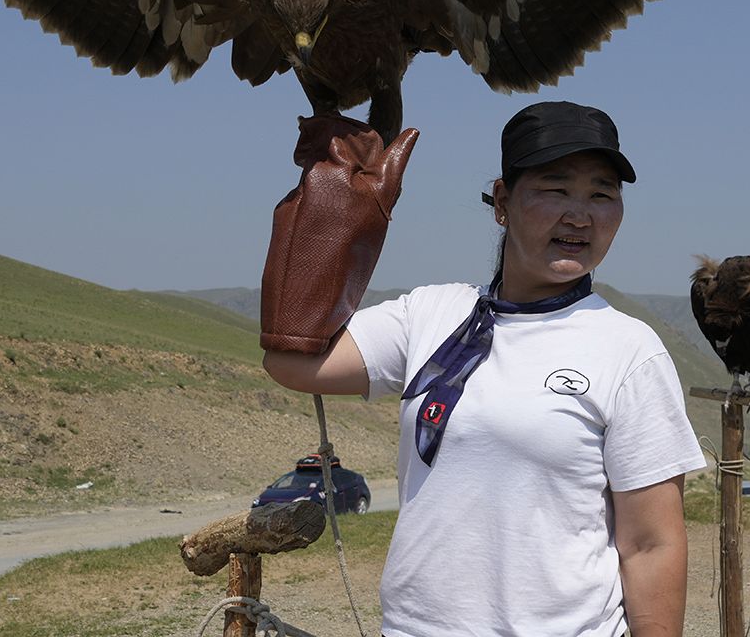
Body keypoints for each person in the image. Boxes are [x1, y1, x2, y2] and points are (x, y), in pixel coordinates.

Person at [260, 100, 706, 637]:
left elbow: (651, 543)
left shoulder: (630, 350)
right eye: (555, 188)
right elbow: (292, 360)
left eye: (602, 194)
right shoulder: (428, 314)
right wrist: (333, 213)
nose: (580, 214)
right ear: (502, 202)